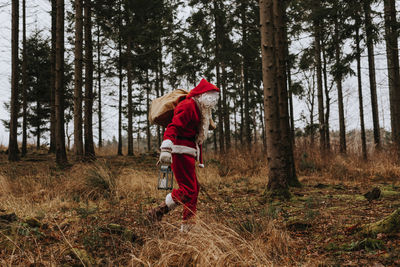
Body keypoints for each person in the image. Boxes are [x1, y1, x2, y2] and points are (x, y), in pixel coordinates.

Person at [147, 79, 220, 231]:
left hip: (188, 152)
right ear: (203, 95)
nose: (214, 100)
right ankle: (158, 211)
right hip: (180, 151)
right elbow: (173, 126)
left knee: (194, 188)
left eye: (215, 97)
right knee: (188, 190)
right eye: (212, 96)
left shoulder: (201, 109)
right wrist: (166, 149)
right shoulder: (188, 106)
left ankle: (188, 225)